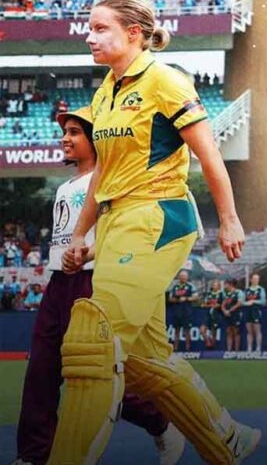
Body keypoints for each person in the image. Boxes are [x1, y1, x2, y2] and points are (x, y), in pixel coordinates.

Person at [46, 0, 261, 463]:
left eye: (100, 28)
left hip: (157, 217)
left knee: (92, 341)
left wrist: (228, 219)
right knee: (144, 361)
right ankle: (227, 439)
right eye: (89, 27)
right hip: (116, 224)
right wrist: (81, 234)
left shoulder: (166, 81)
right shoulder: (105, 91)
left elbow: (208, 154)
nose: (89, 36)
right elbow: (103, 174)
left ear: (134, 33)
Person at [13, 107, 184, 465]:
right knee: (41, 369)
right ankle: (33, 456)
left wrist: (89, 254)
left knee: (96, 374)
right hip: (58, 282)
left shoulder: (110, 184)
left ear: (96, 139)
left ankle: (161, 422)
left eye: (75, 132)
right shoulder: (65, 187)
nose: (65, 138)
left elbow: (119, 233)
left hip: (94, 280)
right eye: (65, 132)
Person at [167, 269, 197, 352]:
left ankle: (188, 348)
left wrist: (186, 299)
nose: (183, 278)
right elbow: (170, 298)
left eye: (185, 276)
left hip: (187, 311)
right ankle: (175, 348)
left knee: (187, 330)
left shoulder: (191, 286)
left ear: (187, 277)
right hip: (177, 311)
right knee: (176, 330)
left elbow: (195, 297)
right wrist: (177, 300)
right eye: (182, 276)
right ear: (179, 277)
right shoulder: (174, 287)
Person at [243, 273, 266, 352]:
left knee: (257, 330)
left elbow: (263, 301)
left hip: (256, 311)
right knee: (249, 331)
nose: (256, 280)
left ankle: (258, 348)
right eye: (254, 279)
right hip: (248, 311)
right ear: (251, 280)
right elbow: (242, 301)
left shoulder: (261, 289)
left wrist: (254, 301)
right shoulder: (247, 290)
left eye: (257, 279)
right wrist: (246, 303)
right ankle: (249, 348)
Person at [199, 279, 224, 349]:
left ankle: (212, 348)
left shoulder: (221, 294)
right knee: (202, 330)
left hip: (216, 314)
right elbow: (204, 304)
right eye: (213, 285)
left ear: (219, 286)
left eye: (216, 285)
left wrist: (210, 305)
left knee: (214, 332)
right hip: (208, 315)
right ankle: (208, 341)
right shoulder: (209, 294)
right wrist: (208, 305)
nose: (214, 286)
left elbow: (219, 305)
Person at [220, 278, 243, 352]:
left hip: (236, 314)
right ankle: (229, 350)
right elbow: (223, 304)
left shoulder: (239, 292)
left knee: (236, 331)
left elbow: (239, 303)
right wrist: (224, 310)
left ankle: (236, 350)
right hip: (227, 315)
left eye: (226, 284)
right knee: (228, 331)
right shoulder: (226, 293)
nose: (225, 286)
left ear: (231, 285)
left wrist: (229, 310)